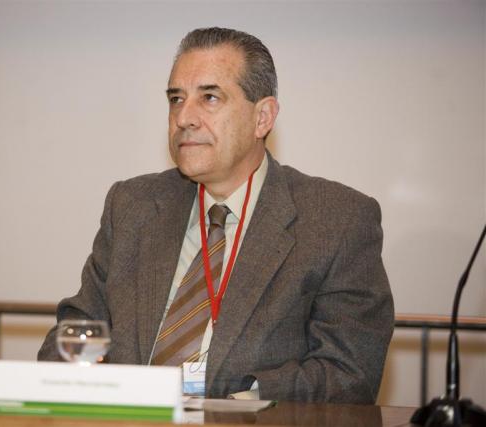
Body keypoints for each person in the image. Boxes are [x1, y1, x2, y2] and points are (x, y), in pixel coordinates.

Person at [38, 27, 394, 404]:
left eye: (209, 97)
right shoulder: (133, 206)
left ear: (262, 118)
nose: (184, 118)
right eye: (176, 99)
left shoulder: (336, 220)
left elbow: (349, 373)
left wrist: (233, 405)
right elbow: (73, 336)